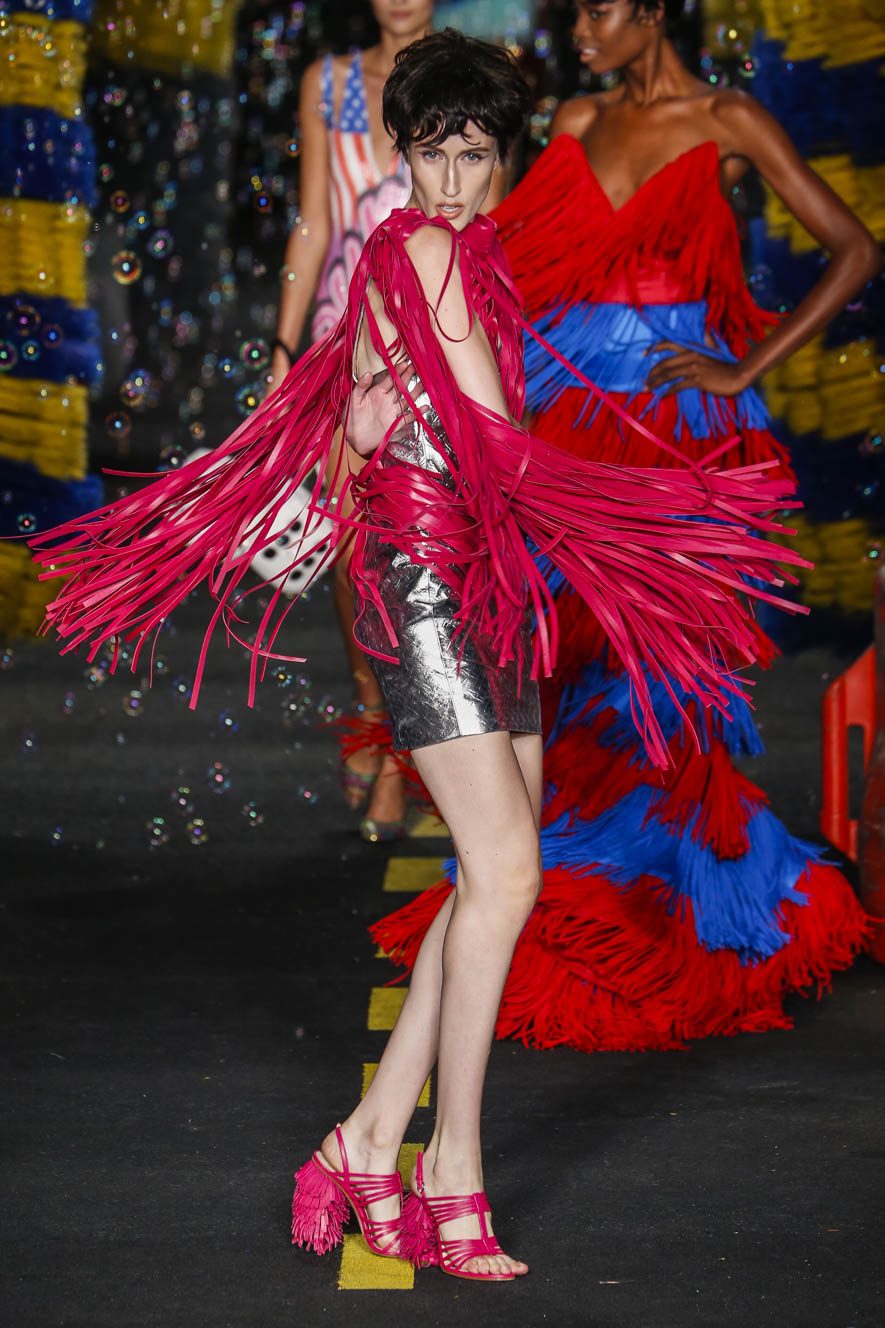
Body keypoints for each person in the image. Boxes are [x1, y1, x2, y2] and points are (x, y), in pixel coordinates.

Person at [31, 30, 806, 1280]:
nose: (452, 181)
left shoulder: (451, 256)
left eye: (476, 156)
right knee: (508, 871)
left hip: (483, 585)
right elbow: (495, 435)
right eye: (433, 154)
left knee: (490, 878)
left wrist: (378, 409)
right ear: (402, 152)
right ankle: (454, 1167)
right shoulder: (433, 249)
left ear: (505, 160)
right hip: (431, 590)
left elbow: (373, 415)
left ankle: (360, 1142)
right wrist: (655, 520)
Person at [374, 0, 877, 1053]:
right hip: (558, 418)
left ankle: (693, 915)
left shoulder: (727, 119)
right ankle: (535, 887)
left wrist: (741, 368)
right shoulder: (574, 120)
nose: (581, 30)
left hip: (670, 430)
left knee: (670, 683)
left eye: (600, 8)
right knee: (553, 668)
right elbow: (484, 258)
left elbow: (853, 247)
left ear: (652, 11)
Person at [267, 2, 434, 841]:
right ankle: (375, 708)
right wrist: (282, 346)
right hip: (344, 339)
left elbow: (492, 219)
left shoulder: (467, 74)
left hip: (437, 339)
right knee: (350, 548)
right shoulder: (325, 83)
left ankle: (407, 749)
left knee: (425, 550)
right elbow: (315, 220)